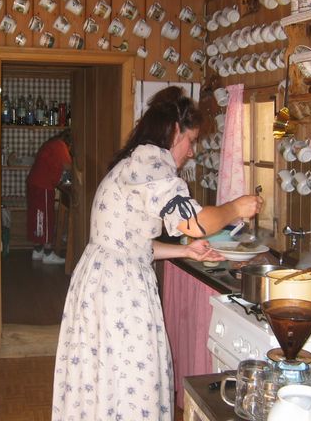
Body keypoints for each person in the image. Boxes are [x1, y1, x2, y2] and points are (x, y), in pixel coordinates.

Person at [52, 86, 263, 420]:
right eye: (191, 141)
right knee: (133, 376)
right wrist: (236, 207)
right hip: (120, 291)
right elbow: (195, 223)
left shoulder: (136, 162)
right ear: (175, 130)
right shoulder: (151, 164)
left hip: (103, 278)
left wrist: (186, 252)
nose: (191, 152)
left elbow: (134, 242)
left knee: (106, 375)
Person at [26, 129, 72, 265]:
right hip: (43, 185)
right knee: (46, 218)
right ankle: (47, 253)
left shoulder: (51, 144)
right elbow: (68, 166)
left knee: (38, 218)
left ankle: (38, 250)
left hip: (35, 184)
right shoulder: (60, 145)